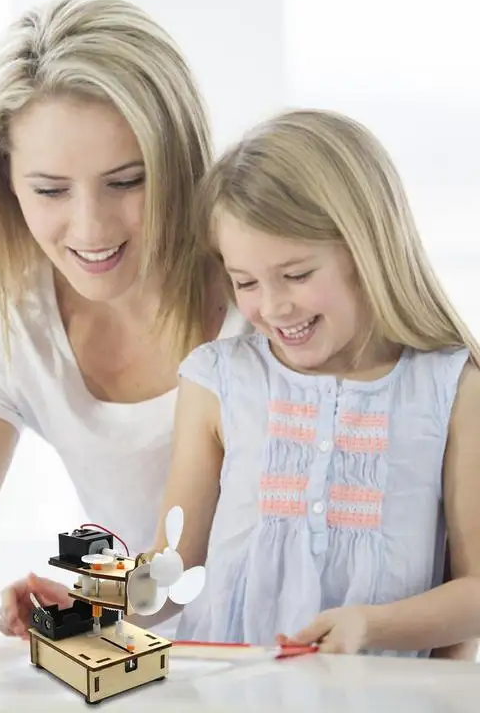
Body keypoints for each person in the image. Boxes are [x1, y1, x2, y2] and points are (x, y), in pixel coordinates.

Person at [0, 0, 250, 650]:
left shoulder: (266, 304)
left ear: (178, 163)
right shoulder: (19, 331)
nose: (90, 228)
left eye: (126, 181)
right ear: (5, 182)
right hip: (155, 676)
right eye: (50, 190)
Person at [138, 108, 480, 658]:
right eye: (244, 281)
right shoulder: (218, 379)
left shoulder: (451, 387)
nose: (271, 306)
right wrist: (87, 605)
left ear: (367, 249)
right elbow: (175, 568)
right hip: (228, 697)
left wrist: (372, 626)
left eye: (296, 275)